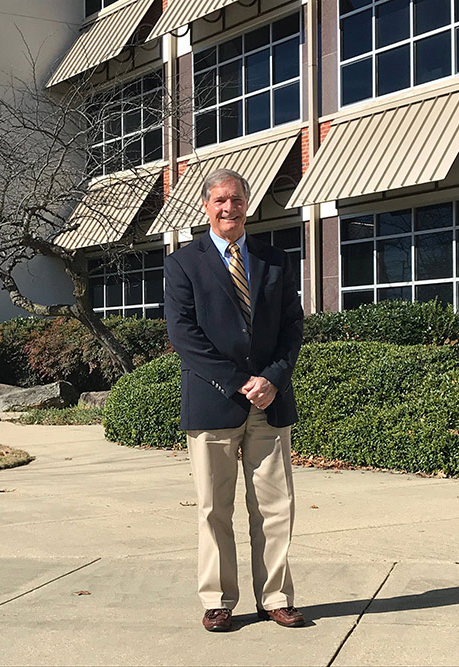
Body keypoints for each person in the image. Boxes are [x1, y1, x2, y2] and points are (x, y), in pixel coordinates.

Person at [164, 168, 304, 632]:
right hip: (214, 402)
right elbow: (184, 335)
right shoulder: (184, 263)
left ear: (247, 202)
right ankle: (218, 600)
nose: (230, 208)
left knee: (275, 507)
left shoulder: (275, 260)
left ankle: (276, 597)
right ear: (207, 205)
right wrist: (241, 381)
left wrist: (273, 379)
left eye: (237, 199)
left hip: (270, 404)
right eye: (221, 200)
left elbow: (292, 330)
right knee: (213, 508)